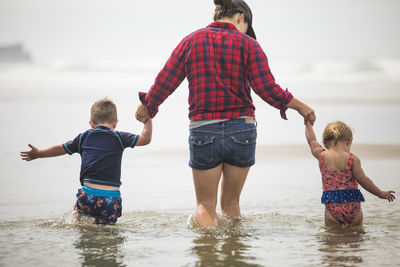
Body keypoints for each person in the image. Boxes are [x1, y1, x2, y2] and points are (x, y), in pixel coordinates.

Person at [136, 0, 315, 228]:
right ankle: (235, 255)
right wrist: (301, 107)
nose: (246, 32)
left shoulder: (191, 40)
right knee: (231, 205)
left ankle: (208, 254)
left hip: (204, 130)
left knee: (205, 206)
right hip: (242, 131)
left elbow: (167, 79)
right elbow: (267, 88)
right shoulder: (249, 45)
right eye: (247, 26)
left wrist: (148, 106)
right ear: (241, 17)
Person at [20, 98, 152, 225]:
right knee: (106, 234)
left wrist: (38, 154)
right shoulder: (120, 137)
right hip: (110, 199)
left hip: (87, 196)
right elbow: (145, 139)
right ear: (116, 123)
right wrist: (147, 119)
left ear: (91, 124)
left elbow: (61, 149)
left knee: (77, 216)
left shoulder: (84, 137)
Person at [305, 120, 395, 227]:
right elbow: (363, 179)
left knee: (331, 241)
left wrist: (308, 123)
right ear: (349, 141)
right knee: (356, 239)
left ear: (325, 143)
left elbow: (312, 141)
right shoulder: (352, 159)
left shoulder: (321, 156)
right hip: (353, 206)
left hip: (332, 207)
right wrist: (380, 193)